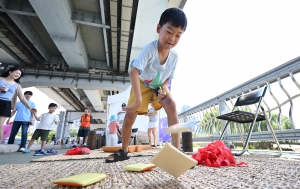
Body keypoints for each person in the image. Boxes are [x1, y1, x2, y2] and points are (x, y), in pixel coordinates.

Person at [105, 8, 187, 163]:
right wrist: (137, 100)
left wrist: (162, 89)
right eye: (169, 32)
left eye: (178, 35)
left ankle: (177, 151)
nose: (172, 38)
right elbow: (134, 72)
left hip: (158, 86)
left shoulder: (175, 56)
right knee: (130, 117)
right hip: (142, 83)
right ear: (159, 29)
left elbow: (168, 78)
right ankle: (123, 150)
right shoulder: (150, 49)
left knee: (171, 105)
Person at [0, 66, 35, 143]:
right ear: (10, 72)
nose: (18, 75)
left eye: (19, 74)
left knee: (0, 126)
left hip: (6, 104)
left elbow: (22, 98)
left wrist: (30, 107)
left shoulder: (17, 85)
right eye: (16, 73)